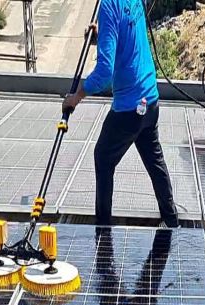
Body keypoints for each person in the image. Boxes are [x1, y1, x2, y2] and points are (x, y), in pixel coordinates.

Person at [63, 0, 179, 228]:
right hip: (149, 100)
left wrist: (76, 97)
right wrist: (103, 35)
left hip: (129, 108)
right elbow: (127, 32)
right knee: (154, 160)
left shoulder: (108, 6)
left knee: (103, 158)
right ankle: (172, 220)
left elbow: (104, 72)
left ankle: (103, 228)